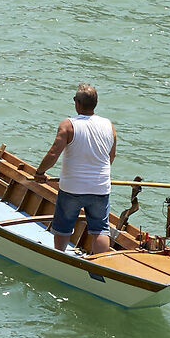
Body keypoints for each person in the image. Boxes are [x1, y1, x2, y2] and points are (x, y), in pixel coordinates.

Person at [36, 84, 117, 256]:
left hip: (72, 188)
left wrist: (40, 173)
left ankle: (59, 257)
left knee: (63, 227)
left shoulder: (68, 125)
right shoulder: (109, 125)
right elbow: (111, 157)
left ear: (78, 103)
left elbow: (53, 154)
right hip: (100, 188)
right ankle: (100, 265)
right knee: (100, 229)